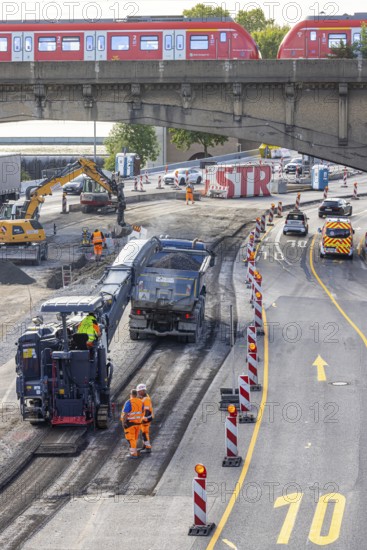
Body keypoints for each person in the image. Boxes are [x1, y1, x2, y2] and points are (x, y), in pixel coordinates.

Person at [120, 389, 144, 459]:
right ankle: (134, 452)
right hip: (138, 424)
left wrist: (123, 422)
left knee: (131, 439)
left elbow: (125, 414)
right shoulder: (141, 402)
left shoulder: (129, 402)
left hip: (130, 424)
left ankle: (133, 454)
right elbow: (141, 411)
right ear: (136, 395)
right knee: (134, 438)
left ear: (131, 395)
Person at [136, 383, 154, 453]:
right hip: (145, 418)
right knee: (144, 433)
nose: (138, 393)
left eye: (139, 391)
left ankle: (148, 448)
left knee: (144, 433)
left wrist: (144, 418)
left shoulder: (146, 399)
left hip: (146, 419)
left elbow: (146, 410)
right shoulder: (145, 397)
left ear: (143, 391)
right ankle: (145, 446)